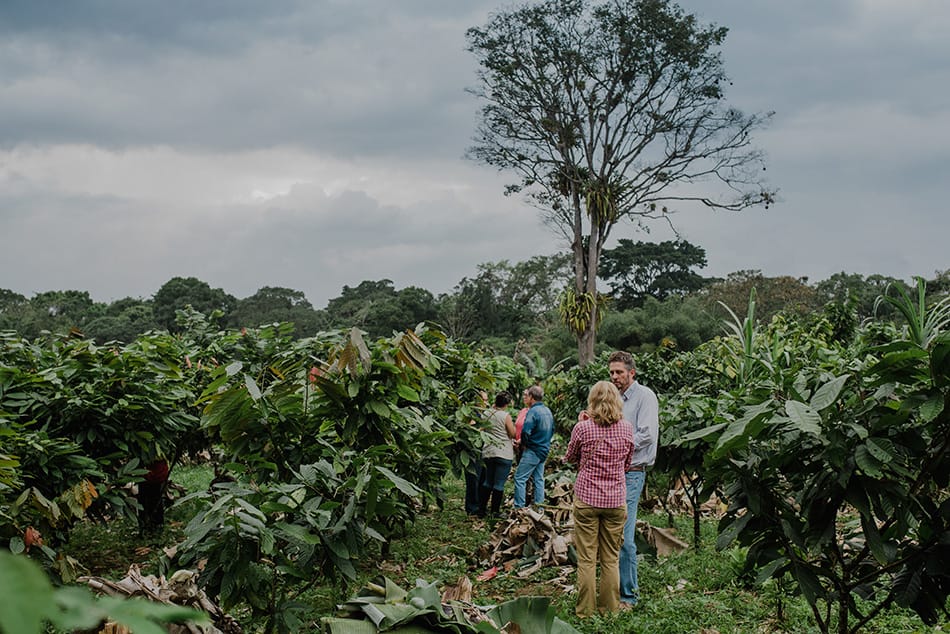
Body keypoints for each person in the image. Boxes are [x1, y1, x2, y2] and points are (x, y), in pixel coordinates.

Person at [565, 381, 634, 617]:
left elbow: (570, 457)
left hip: (587, 499)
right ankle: (610, 610)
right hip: (615, 500)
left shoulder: (582, 428)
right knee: (611, 559)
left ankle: (585, 611)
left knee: (586, 559)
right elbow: (627, 464)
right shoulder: (626, 428)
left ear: (592, 401)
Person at [608, 350, 659, 607]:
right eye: (612, 373)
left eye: (619, 372)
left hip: (632, 472)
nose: (615, 377)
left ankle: (629, 596)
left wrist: (617, 446)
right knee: (611, 532)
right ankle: (612, 590)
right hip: (613, 470)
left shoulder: (644, 397)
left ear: (632, 373)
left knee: (625, 537)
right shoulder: (614, 398)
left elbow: (646, 435)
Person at [512, 385, 554, 508]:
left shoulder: (533, 411)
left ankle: (519, 508)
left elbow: (526, 432)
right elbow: (552, 430)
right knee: (539, 479)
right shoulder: (547, 411)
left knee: (520, 478)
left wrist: (524, 443)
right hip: (543, 450)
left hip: (533, 450)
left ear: (531, 397)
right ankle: (539, 508)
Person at [477, 391, 516, 519]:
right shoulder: (505, 416)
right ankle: (495, 512)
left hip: (488, 451)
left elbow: (481, 429)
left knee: (488, 481)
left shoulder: (487, 413)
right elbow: (512, 434)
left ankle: (481, 510)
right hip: (504, 453)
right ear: (507, 403)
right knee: (498, 484)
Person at [464, 391, 490, 516]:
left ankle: (479, 506)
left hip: (481, 451)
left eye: (486, 400)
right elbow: (472, 430)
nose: (486, 403)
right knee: (473, 480)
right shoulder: (472, 413)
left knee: (481, 479)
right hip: (472, 451)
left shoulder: (483, 413)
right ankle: (471, 507)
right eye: (484, 400)